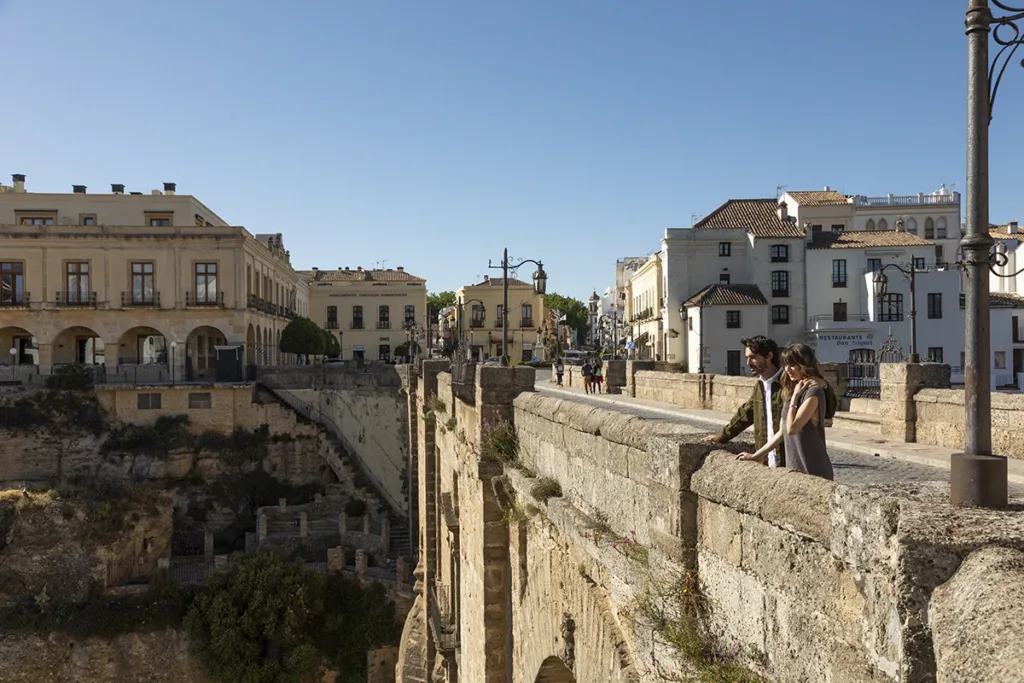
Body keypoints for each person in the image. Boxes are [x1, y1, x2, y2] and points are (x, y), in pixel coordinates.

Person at [702, 335, 836, 469]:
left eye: (753, 357)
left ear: (769, 356)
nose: (748, 363)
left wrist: (824, 386)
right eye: (746, 358)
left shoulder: (789, 384)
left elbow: (826, 411)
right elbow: (745, 414)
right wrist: (722, 436)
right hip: (767, 460)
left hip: (791, 460)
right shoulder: (760, 386)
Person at [737, 343, 834, 480]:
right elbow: (782, 432)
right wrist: (755, 456)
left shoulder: (813, 392)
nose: (787, 370)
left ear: (804, 364)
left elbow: (792, 428)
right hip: (794, 469)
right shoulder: (793, 391)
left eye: (792, 365)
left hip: (813, 469)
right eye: (785, 365)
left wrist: (794, 398)